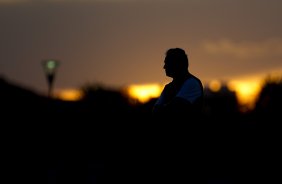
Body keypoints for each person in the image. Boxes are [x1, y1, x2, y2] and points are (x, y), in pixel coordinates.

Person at [152, 47, 204, 120]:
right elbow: (155, 111)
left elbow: (176, 107)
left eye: (167, 63)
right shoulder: (168, 87)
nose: (164, 67)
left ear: (177, 64)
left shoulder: (192, 83)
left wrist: (163, 109)